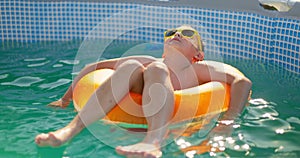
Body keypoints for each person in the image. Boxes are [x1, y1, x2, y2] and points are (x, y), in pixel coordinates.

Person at [35, 25, 252, 158]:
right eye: (171, 33)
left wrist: (228, 121)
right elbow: (90, 69)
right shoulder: (147, 61)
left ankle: (153, 141)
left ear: (198, 54)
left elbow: (242, 82)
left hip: (177, 126)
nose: (176, 34)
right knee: (131, 67)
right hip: (129, 120)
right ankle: (69, 131)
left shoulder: (199, 69)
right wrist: (64, 100)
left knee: (157, 69)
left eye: (187, 33)